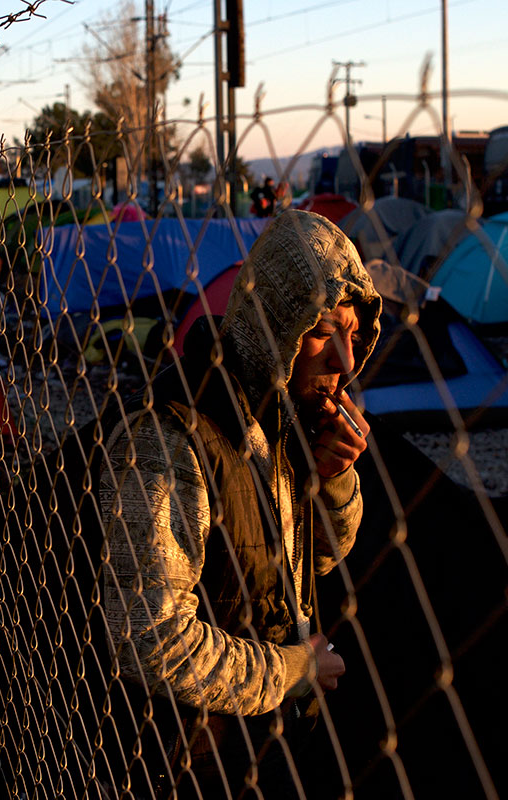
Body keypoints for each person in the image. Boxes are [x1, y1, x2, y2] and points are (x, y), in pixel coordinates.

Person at [96, 209, 381, 796]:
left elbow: (319, 560)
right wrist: (293, 671)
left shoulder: (282, 416)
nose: (345, 363)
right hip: (190, 761)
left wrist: (332, 476)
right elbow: (149, 639)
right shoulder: (169, 440)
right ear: (277, 324)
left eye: (354, 337)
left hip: (269, 737)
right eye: (324, 333)